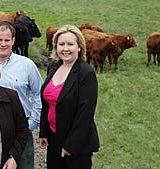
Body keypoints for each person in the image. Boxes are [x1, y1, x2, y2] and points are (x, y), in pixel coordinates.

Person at [39, 25, 100, 169]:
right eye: (61, 44)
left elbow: (85, 114)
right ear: (56, 47)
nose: (65, 48)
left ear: (79, 47)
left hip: (76, 143)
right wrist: (44, 131)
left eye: (70, 44)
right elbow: (47, 103)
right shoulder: (53, 67)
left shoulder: (86, 73)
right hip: (54, 137)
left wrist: (70, 146)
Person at [0, 22, 43, 169]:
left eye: (7, 40)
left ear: (13, 41)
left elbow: (39, 93)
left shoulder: (26, 65)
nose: (3, 44)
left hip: (21, 127)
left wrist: (32, 122)